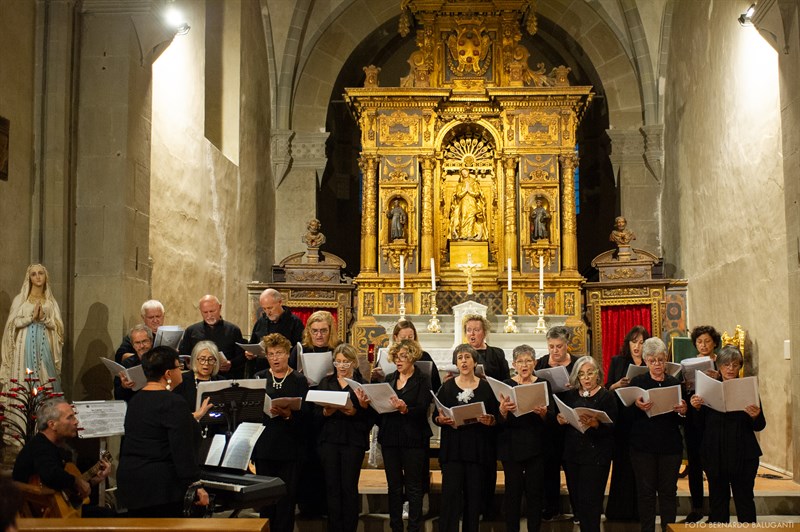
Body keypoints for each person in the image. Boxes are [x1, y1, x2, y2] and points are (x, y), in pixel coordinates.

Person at [116, 346, 210, 517]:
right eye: (178, 367)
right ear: (168, 373)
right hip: (160, 487)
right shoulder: (174, 403)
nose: (181, 371)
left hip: (131, 482)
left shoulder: (136, 400)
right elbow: (182, 449)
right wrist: (195, 485)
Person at [359, 340, 431, 532]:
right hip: (390, 437)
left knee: (414, 486)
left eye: (404, 356)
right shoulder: (389, 379)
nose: (399, 361)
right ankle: (396, 527)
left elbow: (423, 408)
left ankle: (414, 527)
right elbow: (379, 412)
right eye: (397, 357)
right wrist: (368, 404)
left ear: (413, 357)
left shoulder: (422, 379)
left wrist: (405, 409)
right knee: (394, 486)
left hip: (413, 438)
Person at [689, 345, 765, 523]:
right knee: (718, 503)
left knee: (744, 501)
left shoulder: (747, 388)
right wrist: (697, 409)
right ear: (719, 366)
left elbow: (760, 426)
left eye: (735, 365)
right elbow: (698, 427)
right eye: (726, 365)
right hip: (715, 454)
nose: (730, 369)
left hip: (743, 455)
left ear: (739, 366)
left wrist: (756, 416)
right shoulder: (708, 388)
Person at [434, 344, 499, 532]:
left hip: (477, 451)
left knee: (473, 500)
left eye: (467, 357)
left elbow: (496, 417)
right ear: (456, 362)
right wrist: (441, 419)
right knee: (450, 499)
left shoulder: (486, 388)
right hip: (453, 450)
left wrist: (491, 420)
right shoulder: (447, 387)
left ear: (475, 362)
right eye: (460, 357)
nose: (463, 361)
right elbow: (436, 416)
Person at [12, 399, 111, 516]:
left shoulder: (50, 446)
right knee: (108, 516)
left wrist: (94, 480)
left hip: (55, 512)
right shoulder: (40, 447)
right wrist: (76, 481)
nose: (76, 422)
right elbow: (51, 474)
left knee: (105, 514)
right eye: (70, 417)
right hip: (46, 518)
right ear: (52, 424)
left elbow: (63, 490)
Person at [628, 337, 688, 532]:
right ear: (645, 361)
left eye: (661, 360)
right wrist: (637, 406)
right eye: (652, 360)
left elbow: (683, 419)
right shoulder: (638, 382)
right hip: (643, 447)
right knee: (646, 493)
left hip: (670, 447)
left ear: (666, 360)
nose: (657, 365)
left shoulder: (674, 383)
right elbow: (626, 417)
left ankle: (668, 529)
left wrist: (683, 410)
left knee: (668, 492)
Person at [253, 333, 309, 532]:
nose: (275, 358)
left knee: (286, 501)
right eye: (271, 354)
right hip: (265, 447)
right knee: (265, 501)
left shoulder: (299, 380)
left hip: (290, 448)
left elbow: (307, 417)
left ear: (288, 354)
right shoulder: (259, 377)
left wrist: (287, 415)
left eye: (279, 353)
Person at [315, 343, 374, 532]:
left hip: (352, 441)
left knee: (349, 488)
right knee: (331, 487)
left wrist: (358, 410)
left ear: (353, 362)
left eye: (345, 362)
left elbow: (373, 418)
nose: (341, 366)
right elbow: (315, 415)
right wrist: (326, 411)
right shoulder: (326, 383)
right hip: (329, 441)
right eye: (338, 362)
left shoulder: (362, 385)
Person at [556, 356, 617, 532]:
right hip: (573, 455)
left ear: (597, 374)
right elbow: (562, 419)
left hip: (597, 456)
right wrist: (560, 419)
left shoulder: (607, 396)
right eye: (582, 374)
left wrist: (596, 424)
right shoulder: (570, 395)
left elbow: (613, 427)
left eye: (590, 373)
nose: (586, 378)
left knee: (592, 502)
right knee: (578, 502)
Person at [496, 345, 549, 532]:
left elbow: (549, 419)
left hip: (536, 445)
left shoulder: (543, 383)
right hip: (511, 445)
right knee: (513, 492)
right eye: (520, 361)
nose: (524, 365)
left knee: (535, 492)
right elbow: (498, 421)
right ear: (513, 364)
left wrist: (543, 414)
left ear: (534, 363)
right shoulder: (505, 384)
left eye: (528, 361)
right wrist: (502, 411)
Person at [295, 309, 340, 518]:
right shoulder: (302, 351)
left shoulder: (337, 350)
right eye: (315, 331)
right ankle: (307, 506)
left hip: (330, 410)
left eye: (323, 330)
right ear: (309, 332)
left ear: (330, 331)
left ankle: (325, 506)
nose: (319, 335)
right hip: (307, 409)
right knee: (307, 457)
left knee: (326, 461)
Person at [604, 325, 650, 522]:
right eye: (634, 342)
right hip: (623, 420)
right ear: (628, 343)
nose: (637, 346)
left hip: (644, 420)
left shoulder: (651, 361)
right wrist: (616, 385)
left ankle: (641, 512)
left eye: (641, 342)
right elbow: (607, 388)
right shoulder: (618, 361)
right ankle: (619, 511)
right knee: (622, 466)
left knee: (642, 469)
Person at [535, 325, 577, 520]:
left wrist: (575, 386)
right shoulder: (541, 363)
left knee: (573, 468)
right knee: (549, 468)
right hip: (548, 423)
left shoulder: (577, 364)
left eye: (559, 346)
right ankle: (550, 508)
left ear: (567, 344)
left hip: (571, 423)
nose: (555, 350)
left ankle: (578, 510)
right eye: (551, 346)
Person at [1, 264, 64, 393]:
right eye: (33, 274)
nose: (38, 277)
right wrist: (31, 318)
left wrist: (43, 318)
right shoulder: (21, 300)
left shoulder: (50, 302)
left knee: (44, 375)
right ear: (29, 278)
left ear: (46, 276)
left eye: (41, 273)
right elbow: (13, 324)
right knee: (25, 375)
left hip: (43, 344)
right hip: (24, 344)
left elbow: (58, 326)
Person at [682, 324, 722, 522]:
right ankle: (697, 507)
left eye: (707, 341)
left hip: (713, 419)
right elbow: (684, 394)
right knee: (695, 464)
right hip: (693, 419)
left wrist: (718, 378)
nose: (703, 345)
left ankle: (716, 509)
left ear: (714, 343)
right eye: (699, 341)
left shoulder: (721, 363)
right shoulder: (688, 364)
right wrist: (686, 385)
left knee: (713, 466)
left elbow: (729, 389)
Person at [179, 295, 245, 378]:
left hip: (226, 378)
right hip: (198, 379)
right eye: (205, 312)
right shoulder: (191, 331)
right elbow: (184, 356)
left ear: (220, 308)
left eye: (212, 311)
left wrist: (231, 363)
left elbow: (242, 357)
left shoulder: (233, 330)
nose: (209, 315)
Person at [245, 288, 304, 376]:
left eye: (270, 308)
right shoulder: (261, 322)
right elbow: (253, 343)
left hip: (286, 373)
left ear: (280, 302)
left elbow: (299, 350)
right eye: (264, 309)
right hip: (262, 371)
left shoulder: (294, 322)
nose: (267, 312)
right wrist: (250, 353)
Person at [373, 319, 441, 392]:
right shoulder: (388, 355)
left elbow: (435, 383)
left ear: (414, 337)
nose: (407, 341)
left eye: (410, 337)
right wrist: (376, 377)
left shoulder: (423, 356)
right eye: (403, 338)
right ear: (396, 338)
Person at [175, 340, 224, 417]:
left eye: (211, 359)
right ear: (194, 360)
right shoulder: (181, 380)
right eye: (202, 359)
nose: (206, 363)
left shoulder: (221, 381)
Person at [453, 314, 509, 381]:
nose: (472, 333)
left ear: (484, 332)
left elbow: (506, 380)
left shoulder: (497, 353)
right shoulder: (459, 353)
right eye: (469, 330)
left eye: (476, 330)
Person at [114, 324, 154, 401]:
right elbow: (117, 396)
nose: (142, 346)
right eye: (137, 343)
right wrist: (124, 386)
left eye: (145, 341)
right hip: (134, 405)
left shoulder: (162, 361)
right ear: (133, 345)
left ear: (151, 341)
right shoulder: (126, 365)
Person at [448, 167, 488, 241]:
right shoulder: (459, 185)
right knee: (463, 217)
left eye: (465, 172)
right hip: (463, 203)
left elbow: (477, 193)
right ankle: (463, 235)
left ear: (468, 172)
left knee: (472, 217)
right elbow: (458, 195)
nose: (464, 174)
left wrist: (469, 191)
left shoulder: (474, 183)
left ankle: (470, 235)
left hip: (472, 203)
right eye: (463, 173)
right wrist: (465, 190)